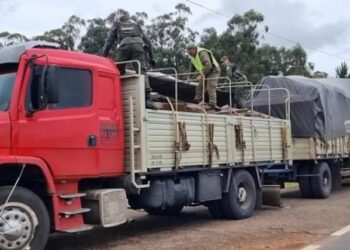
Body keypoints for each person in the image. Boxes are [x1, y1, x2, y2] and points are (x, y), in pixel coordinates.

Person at [103, 14, 155, 108]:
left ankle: (113, 93)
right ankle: (147, 99)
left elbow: (109, 42)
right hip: (139, 46)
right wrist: (152, 58)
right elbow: (148, 42)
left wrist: (103, 57)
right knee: (142, 71)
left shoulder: (118, 25)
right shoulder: (136, 25)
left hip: (124, 46)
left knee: (117, 70)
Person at [186, 43, 220, 110]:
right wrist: (189, 77)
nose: (189, 54)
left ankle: (213, 103)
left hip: (213, 71)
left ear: (194, 49)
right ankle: (198, 100)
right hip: (205, 71)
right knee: (200, 86)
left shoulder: (202, 53)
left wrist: (201, 75)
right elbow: (192, 67)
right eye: (188, 52)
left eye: (190, 52)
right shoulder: (192, 56)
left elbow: (208, 65)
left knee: (210, 86)